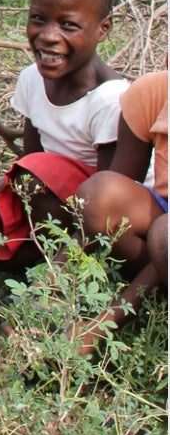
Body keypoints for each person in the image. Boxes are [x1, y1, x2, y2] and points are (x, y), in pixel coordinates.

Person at [0, 0, 127, 268]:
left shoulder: (110, 99)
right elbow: (28, 160)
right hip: (51, 199)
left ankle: (64, 267)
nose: (47, 36)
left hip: (105, 218)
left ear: (103, 29)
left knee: (41, 174)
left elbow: (110, 197)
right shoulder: (32, 79)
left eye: (69, 25)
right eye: (38, 19)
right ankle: (40, 259)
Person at [69, 69, 167, 354]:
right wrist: (51, 281)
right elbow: (114, 194)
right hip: (159, 233)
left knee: (164, 235)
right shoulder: (153, 93)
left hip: (164, 238)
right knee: (99, 196)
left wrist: (100, 325)